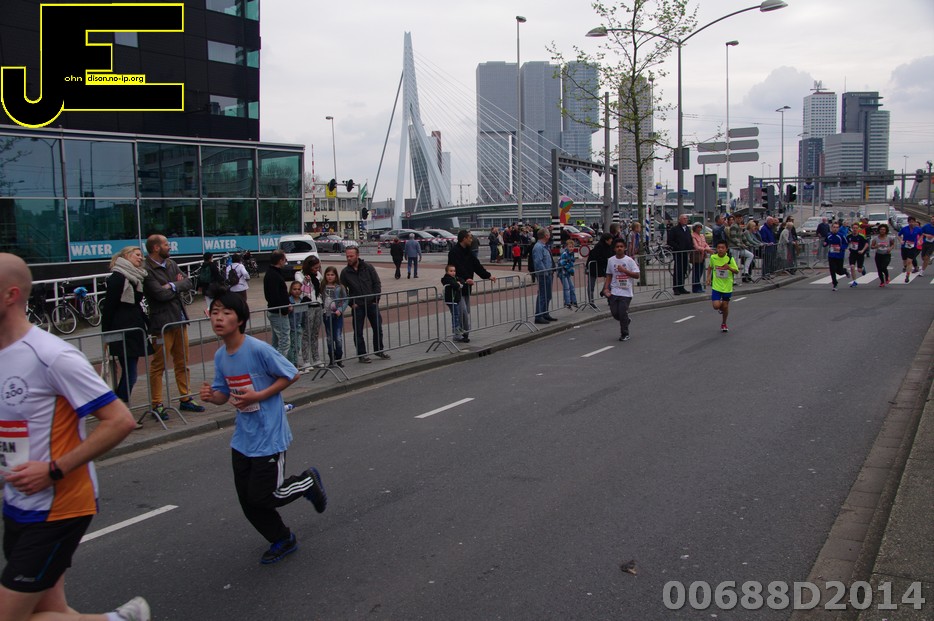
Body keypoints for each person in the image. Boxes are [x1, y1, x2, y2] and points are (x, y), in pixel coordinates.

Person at [0, 253, 150, 621]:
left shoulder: (51, 355)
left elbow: (119, 421)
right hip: (17, 504)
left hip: (58, 505)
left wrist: (54, 469)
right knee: (50, 611)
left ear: (10, 295)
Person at [198, 291, 327, 566]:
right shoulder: (221, 356)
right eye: (215, 312)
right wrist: (212, 397)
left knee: (264, 495)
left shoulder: (257, 349)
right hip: (243, 438)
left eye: (226, 313)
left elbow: (291, 374)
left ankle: (306, 482)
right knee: (248, 501)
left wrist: (258, 395)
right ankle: (282, 538)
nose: (219, 318)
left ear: (240, 320)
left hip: (269, 435)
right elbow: (223, 394)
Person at [143, 234, 204, 420]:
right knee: (159, 364)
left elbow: (188, 282)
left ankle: (185, 397)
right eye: (166, 244)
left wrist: (171, 286)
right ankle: (157, 404)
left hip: (179, 319)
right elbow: (159, 295)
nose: (169, 247)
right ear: (156, 248)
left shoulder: (171, 263)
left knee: (182, 361)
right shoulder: (146, 269)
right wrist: (177, 287)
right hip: (162, 323)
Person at [101, 246, 150, 415]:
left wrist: (148, 323)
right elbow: (109, 307)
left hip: (134, 330)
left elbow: (136, 306)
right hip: (123, 331)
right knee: (131, 374)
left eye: (141, 255)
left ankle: (118, 407)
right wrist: (106, 334)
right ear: (127, 256)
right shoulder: (118, 278)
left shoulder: (136, 278)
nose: (141, 258)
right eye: (137, 255)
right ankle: (118, 408)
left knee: (130, 371)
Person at [340, 246, 389, 363]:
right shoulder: (345, 272)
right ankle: (362, 354)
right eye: (347, 256)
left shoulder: (368, 267)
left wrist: (376, 299)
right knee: (358, 331)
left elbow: (376, 283)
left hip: (371, 303)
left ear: (357, 255)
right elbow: (342, 290)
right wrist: (351, 303)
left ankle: (379, 350)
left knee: (377, 328)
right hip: (358, 306)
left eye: (351, 256)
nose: (349, 258)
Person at [447, 230, 496, 343]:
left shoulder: (469, 252)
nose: (471, 239)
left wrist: (488, 276)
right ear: (464, 238)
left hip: (467, 287)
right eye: (469, 237)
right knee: (462, 312)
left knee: (465, 311)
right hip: (457, 287)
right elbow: (455, 269)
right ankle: (460, 334)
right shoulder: (454, 252)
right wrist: (465, 279)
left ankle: (463, 333)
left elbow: (476, 266)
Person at [602, 238, 639, 341]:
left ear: (625, 248)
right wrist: (606, 288)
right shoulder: (611, 260)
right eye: (617, 247)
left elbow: (637, 275)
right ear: (614, 249)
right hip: (614, 290)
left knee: (622, 312)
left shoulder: (629, 260)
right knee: (615, 313)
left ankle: (625, 334)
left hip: (626, 292)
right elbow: (609, 275)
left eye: (621, 247)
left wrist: (624, 270)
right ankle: (626, 320)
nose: (619, 248)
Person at [263, 250, 293, 360]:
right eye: (285, 260)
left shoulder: (272, 273)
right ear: (280, 260)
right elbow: (275, 296)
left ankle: (272, 362)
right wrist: (285, 308)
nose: (285, 262)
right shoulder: (273, 275)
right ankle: (279, 364)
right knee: (284, 341)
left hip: (276, 310)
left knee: (276, 341)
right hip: (278, 312)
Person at [706, 240, 739, 333]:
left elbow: (736, 271)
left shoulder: (730, 259)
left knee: (725, 306)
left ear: (726, 249)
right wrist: (708, 277)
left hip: (727, 286)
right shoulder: (713, 257)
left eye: (722, 248)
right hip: (716, 286)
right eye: (719, 248)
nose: (720, 249)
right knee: (716, 306)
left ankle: (724, 323)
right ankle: (722, 309)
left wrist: (729, 267)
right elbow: (710, 267)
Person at [298, 256, 323, 368]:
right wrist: (306, 281)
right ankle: (306, 360)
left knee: (315, 333)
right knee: (306, 333)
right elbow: (301, 288)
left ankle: (316, 358)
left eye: (318, 267)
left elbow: (321, 286)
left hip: (318, 305)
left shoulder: (318, 275)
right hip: (307, 306)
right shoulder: (300, 274)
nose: (316, 270)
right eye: (315, 267)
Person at [320, 266, 347, 368]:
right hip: (327, 315)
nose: (330, 277)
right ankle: (332, 358)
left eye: (332, 275)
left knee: (338, 337)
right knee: (329, 338)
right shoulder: (322, 286)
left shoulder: (340, 287)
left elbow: (345, 299)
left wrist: (340, 310)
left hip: (337, 315)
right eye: (328, 275)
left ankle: (339, 357)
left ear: (336, 276)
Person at [532, 228, 557, 324]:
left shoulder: (545, 246)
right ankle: (539, 315)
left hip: (548, 273)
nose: (550, 235)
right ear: (545, 236)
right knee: (543, 294)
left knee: (548, 295)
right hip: (544, 274)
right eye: (548, 233)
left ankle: (545, 313)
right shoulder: (539, 247)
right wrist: (546, 272)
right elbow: (538, 262)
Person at [586, 233, 614, 308]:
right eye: (610, 239)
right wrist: (607, 260)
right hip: (593, 267)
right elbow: (597, 257)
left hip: (603, 267)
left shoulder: (609, 246)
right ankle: (591, 301)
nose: (611, 240)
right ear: (606, 240)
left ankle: (606, 294)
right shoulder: (598, 247)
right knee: (591, 284)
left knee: (610, 280)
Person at [286, 281, 309, 367]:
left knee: (297, 346)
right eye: (294, 289)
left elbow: (303, 315)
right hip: (292, 327)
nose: (297, 291)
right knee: (293, 346)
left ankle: (295, 362)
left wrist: (303, 325)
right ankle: (292, 364)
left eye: (299, 289)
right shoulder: (289, 301)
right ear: (291, 290)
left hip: (299, 326)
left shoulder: (301, 300)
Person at [823, 221, 848, 291]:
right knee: (832, 270)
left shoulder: (841, 236)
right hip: (831, 255)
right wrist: (825, 244)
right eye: (834, 227)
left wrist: (841, 248)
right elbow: (826, 242)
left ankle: (845, 271)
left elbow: (846, 244)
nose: (835, 229)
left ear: (838, 228)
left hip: (839, 256)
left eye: (837, 227)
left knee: (839, 271)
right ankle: (835, 283)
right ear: (831, 228)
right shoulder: (829, 235)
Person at [441, 264, 464, 338]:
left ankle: (457, 327)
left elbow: (462, 280)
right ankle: (455, 328)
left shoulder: (455, 277)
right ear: (447, 272)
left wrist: (460, 283)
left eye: (454, 271)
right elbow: (455, 285)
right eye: (451, 271)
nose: (453, 272)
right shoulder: (447, 278)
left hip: (455, 299)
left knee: (457, 313)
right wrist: (458, 284)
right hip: (451, 300)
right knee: (455, 314)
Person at [196, 252, 222, 316]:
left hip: (205, 287)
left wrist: (199, 287)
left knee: (209, 302)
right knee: (215, 301)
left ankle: (211, 313)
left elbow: (200, 277)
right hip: (213, 286)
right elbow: (217, 276)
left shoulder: (202, 266)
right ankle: (208, 311)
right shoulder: (212, 265)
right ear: (210, 258)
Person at [899, 216, 923, 282]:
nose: (911, 223)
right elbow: (899, 235)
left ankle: (907, 276)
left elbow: (921, 235)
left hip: (913, 247)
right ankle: (905, 267)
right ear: (908, 222)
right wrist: (901, 240)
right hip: (904, 247)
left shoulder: (918, 229)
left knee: (909, 261)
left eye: (913, 222)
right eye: (910, 222)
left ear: (915, 222)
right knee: (905, 261)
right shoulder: (904, 229)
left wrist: (919, 240)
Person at [690, 223, 713, 293]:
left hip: (702, 255)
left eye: (700, 227)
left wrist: (708, 249)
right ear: (694, 228)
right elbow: (696, 246)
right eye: (698, 227)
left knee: (700, 271)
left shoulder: (702, 236)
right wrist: (705, 249)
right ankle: (696, 287)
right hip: (696, 255)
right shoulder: (693, 235)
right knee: (696, 272)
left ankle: (698, 286)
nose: (699, 229)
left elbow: (705, 244)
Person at [557, 239, 578, 309]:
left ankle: (573, 301)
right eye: (570, 247)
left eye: (572, 247)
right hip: (563, 273)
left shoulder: (571, 254)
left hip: (567, 272)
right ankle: (567, 302)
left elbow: (571, 262)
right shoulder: (564, 254)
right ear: (567, 247)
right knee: (567, 288)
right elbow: (562, 263)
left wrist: (570, 268)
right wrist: (570, 269)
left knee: (572, 287)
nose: (571, 248)